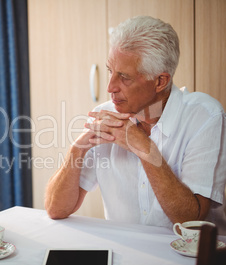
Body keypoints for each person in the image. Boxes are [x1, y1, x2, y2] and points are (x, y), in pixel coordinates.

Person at [45, 16, 226, 234]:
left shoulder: (205, 116)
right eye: (110, 71)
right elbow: (56, 210)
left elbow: (190, 221)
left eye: (124, 77)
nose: (110, 86)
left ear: (160, 81)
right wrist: (77, 149)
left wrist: (145, 148)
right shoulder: (108, 116)